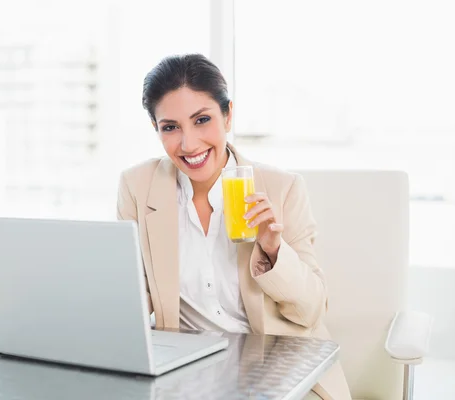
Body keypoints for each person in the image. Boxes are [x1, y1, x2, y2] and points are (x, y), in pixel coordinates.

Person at [116, 54, 351, 400]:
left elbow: (311, 310)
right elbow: (131, 297)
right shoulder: (138, 187)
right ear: (156, 129)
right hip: (185, 375)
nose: (189, 144)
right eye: (170, 127)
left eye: (202, 120)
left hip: (277, 373)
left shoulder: (281, 189)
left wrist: (273, 251)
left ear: (228, 115)